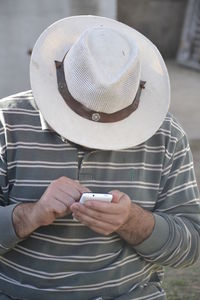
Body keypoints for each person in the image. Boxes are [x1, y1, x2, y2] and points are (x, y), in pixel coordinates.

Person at [0, 15, 199, 300]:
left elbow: (190, 249)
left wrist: (132, 221)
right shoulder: (7, 122)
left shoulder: (165, 135)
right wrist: (29, 216)